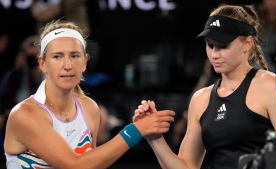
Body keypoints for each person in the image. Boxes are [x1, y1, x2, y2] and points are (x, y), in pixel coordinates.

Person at [133, 4, 276, 169]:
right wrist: (155, 139)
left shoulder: (269, 86)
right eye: (210, 45)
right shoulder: (201, 99)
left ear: (247, 43)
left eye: (223, 46)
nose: (214, 54)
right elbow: (187, 167)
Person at [4, 19, 175, 169]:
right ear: (42, 64)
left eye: (75, 56)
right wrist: (135, 130)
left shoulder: (89, 107)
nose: (68, 65)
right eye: (57, 56)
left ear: (85, 62)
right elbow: (74, 165)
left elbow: (92, 164)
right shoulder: (24, 114)